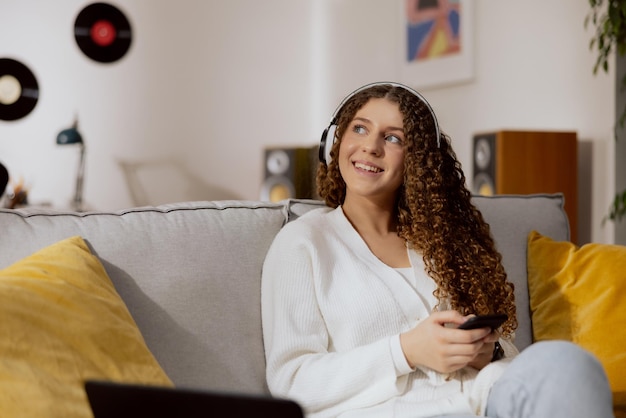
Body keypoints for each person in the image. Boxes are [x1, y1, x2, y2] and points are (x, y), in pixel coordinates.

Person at [261, 82, 613, 418]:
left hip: (485, 398)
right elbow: (292, 382)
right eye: (359, 129)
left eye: (393, 137)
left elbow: (505, 355)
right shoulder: (303, 243)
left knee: (570, 363)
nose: (370, 146)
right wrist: (406, 351)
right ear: (334, 143)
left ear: (416, 161)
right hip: (394, 413)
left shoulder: (440, 240)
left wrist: (485, 353)